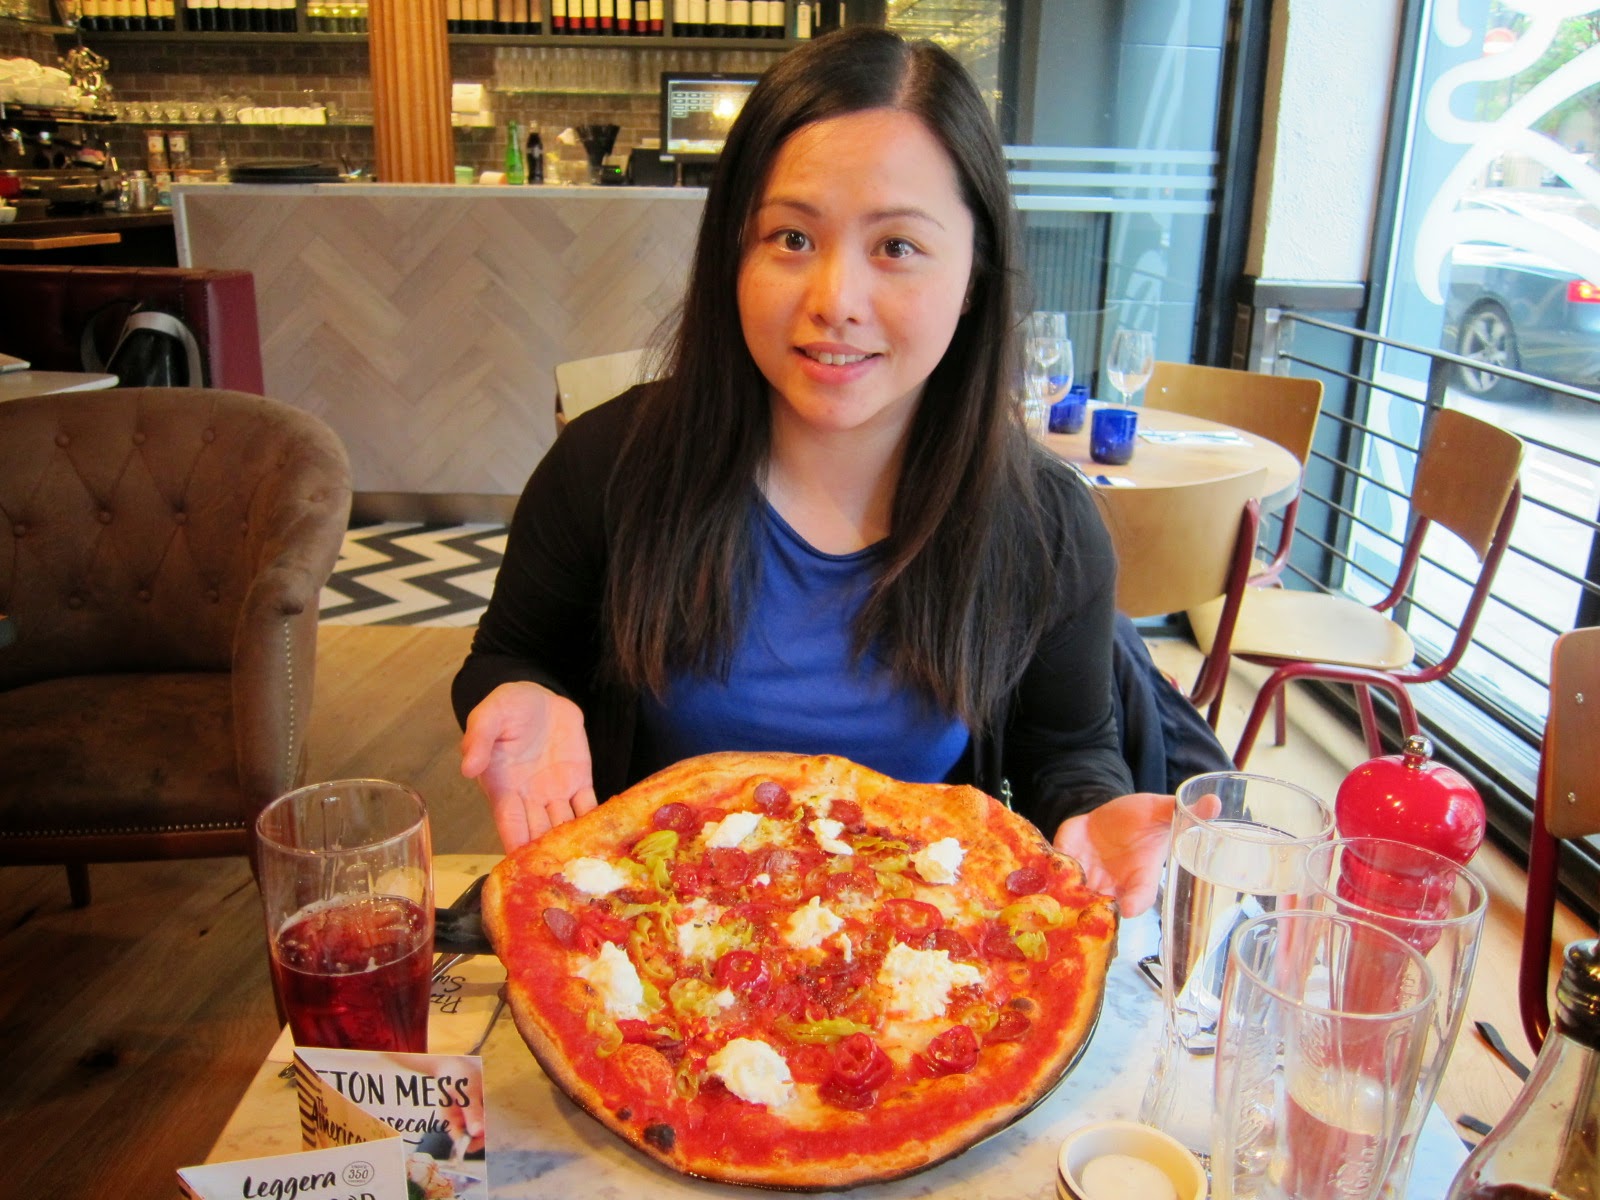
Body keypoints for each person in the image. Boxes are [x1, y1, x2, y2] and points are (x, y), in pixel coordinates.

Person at [452, 25, 1205, 918]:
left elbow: (1067, 748)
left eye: (896, 247)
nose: (834, 302)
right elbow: (512, 651)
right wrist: (520, 693)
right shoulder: (608, 465)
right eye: (791, 238)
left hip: (913, 971)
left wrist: (1089, 811)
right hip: (659, 947)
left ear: (974, 273)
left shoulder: (1041, 525)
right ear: (734, 250)